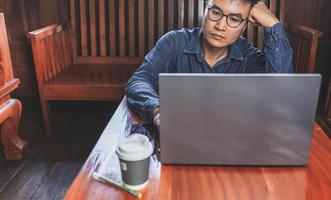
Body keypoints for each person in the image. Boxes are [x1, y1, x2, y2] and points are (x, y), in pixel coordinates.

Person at [125, 0, 293, 130]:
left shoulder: (250, 58)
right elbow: (139, 81)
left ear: (244, 26)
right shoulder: (174, 42)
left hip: (232, 141)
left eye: (234, 19)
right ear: (205, 10)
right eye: (215, 12)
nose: (220, 26)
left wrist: (272, 25)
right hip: (179, 137)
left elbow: (280, 96)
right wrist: (158, 112)